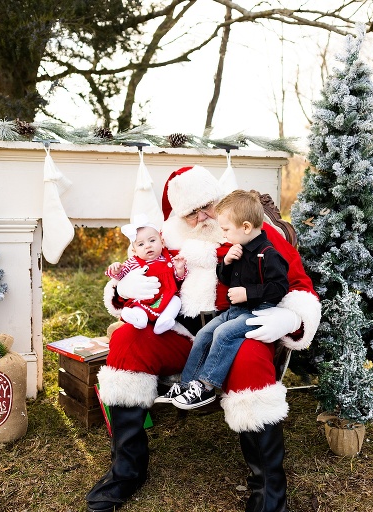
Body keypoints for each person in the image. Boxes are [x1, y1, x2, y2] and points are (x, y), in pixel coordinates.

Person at [88, 166, 321, 512]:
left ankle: (268, 490)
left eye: (207, 206)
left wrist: (290, 316)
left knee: (249, 358)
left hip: (241, 333)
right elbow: (132, 271)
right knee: (126, 340)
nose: (202, 217)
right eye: (190, 213)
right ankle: (128, 468)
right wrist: (122, 290)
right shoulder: (166, 243)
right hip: (182, 337)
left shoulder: (257, 235)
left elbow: (300, 287)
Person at [167, 189, 289, 409]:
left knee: (223, 334)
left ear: (245, 227)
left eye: (226, 229)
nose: (223, 235)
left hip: (258, 312)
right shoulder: (238, 247)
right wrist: (227, 264)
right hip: (235, 311)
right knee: (205, 334)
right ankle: (187, 384)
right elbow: (224, 279)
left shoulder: (268, 253)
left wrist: (248, 293)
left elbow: (279, 287)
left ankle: (206, 386)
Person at [106, 214, 186, 335]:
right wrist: (116, 270)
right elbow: (122, 277)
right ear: (134, 251)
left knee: (176, 301)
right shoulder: (134, 262)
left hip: (167, 295)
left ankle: (163, 322)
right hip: (145, 296)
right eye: (141, 244)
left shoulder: (169, 258)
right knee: (139, 305)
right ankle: (139, 319)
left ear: (162, 242)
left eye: (152, 240)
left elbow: (178, 279)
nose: (148, 245)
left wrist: (179, 269)